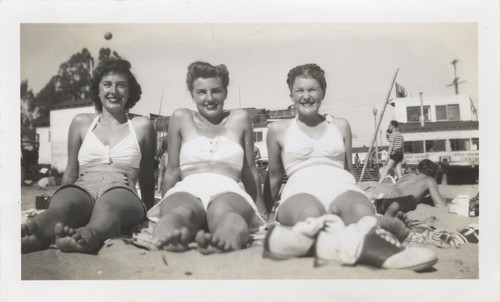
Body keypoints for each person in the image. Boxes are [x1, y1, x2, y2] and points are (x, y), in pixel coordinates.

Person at [264, 64, 437, 270]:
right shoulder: (278, 129)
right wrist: (262, 215)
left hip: (341, 184)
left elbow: (348, 170)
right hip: (301, 187)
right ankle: (377, 248)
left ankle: (374, 236)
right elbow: (274, 177)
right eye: (299, 90)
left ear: (323, 92)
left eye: (313, 89)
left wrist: (361, 193)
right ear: (291, 94)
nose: (306, 96)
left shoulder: (340, 125)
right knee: (310, 215)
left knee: (360, 210)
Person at [21, 59, 156, 254]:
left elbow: (146, 176)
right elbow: (70, 171)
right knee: (62, 209)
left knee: (108, 208)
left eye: (121, 85)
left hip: (121, 188)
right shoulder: (81, 122)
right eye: (107, 84)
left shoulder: (142, 126)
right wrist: (62, 194)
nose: (114, 91)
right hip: (83, 185)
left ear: (130, 91)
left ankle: (89, 235)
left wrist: (147, 213)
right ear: (98, 90)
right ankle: (36, 233)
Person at [147, 61, 265, 253]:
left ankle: (224, 239)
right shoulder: (181, 118)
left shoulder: (240, 119)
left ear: (226, 92)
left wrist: (262, 211)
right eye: (201, 92)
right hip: (188, 187)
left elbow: (250, 170)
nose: (209, 98)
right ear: (192, 95)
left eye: (216, 91)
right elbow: (172, 170)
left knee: (228, 214)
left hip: (228, 188)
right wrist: (165, 203)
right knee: (179, 213)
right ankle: (169, 237)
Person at [361, 159, 448, 209]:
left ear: (418, 170)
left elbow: (406, 190)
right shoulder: (430, 180)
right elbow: (440, 204)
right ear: (434, 174)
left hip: (377, 186)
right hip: (388, 194)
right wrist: (443, 199)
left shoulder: (409, 175)